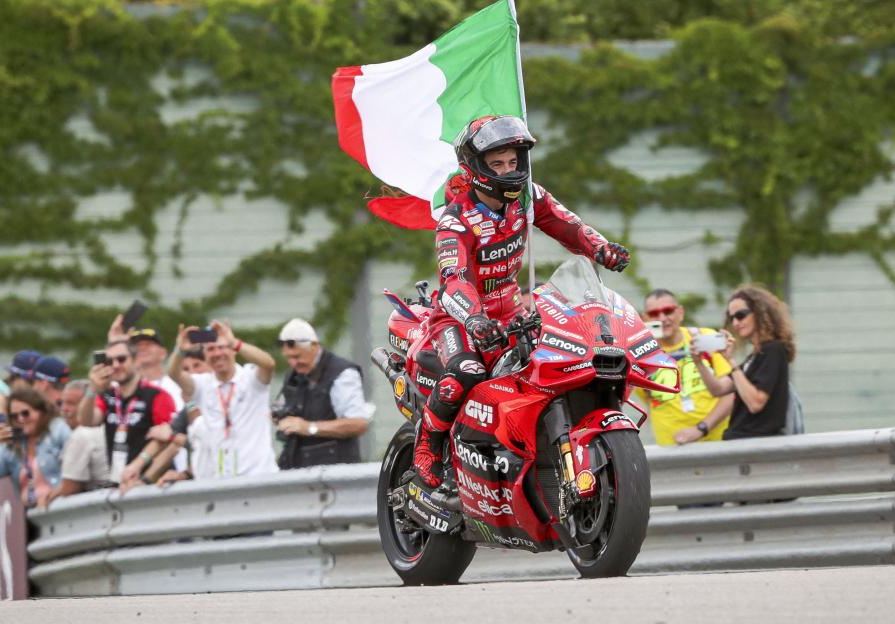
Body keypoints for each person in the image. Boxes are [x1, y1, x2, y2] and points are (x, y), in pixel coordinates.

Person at [412, 115, 632, 489]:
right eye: (498, 164)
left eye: (514, 162)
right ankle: (427, 444)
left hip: (515, 313)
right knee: (467, 371)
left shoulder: (529, 198)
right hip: (457, 321)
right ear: (476, 167)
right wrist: (475, 320)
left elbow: (569, 226)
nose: (509, 171)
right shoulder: (455, 221)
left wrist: (602, 249)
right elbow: (455, 282)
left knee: (566, 360)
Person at [167, 320, 278, 479]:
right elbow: (173, 374)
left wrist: (234, 342)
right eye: (211, 349)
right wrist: (180, 351)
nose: (217, 353)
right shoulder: (203, 385)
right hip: (224, 479)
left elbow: (268, 364)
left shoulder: (250, 378)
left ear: (233, 351)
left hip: (260, 475)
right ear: (205, 355)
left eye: (222, 347)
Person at [635, 289, 734, 446]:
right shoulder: (640, 356)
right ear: (645, 318)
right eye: (654, 314)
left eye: (668, 311)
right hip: (671, 449)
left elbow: (730, 394)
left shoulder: (703, 338)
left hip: (718, 444)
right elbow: (644, 398)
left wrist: (701, 429)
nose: (662, 318)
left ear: (680, 312)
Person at [698, 286, 796, 440]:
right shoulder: (755, 357)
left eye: (741, 315)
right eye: (732, 318)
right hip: (743, 443)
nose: (736, 322)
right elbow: (717, 389)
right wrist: (698, 362)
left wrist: (731, 361)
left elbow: (755, 402)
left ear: (759, 313)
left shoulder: (773, 350)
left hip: (756, 445)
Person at [273, 318, 370, 469]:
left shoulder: (342, 373)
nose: (293, 363)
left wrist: (309, 427)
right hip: (297, 471)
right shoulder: (293, 375)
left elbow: (358, 424)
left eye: (297, 356)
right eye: (288, 358)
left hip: (335, 475)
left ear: (314, 346)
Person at [77, 339, 176, 486]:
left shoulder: (157, 395)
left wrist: (145, 476)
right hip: (119, 482)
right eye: (110, 361)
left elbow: (170, 442)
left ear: (136, 360)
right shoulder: (107, 395)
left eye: (121, 359)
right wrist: (92, 389)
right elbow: (86, 421)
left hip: (151, 484)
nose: (116, 365)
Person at [0, 388, 72, 509]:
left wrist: (54, 495)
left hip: (61, 507)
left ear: (41, 411)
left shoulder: (57, 429)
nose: (21, 419)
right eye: (14, 416)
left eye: (25, 413)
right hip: (30, 515)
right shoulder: (12, 443)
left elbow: (75, 469)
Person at [51, 381, 110, 502]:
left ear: (88, 405)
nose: (64, 409)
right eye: (61, 403)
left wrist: (48, 498)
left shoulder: (82, 435)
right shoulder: (106, 430)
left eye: (71, 403)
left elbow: (70, 488)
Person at [127, 327, 185, 410]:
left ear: (163, 353)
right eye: (137, 345)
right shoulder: (120, 387)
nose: (142, 348)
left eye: (148, 344)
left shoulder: (177, 385)